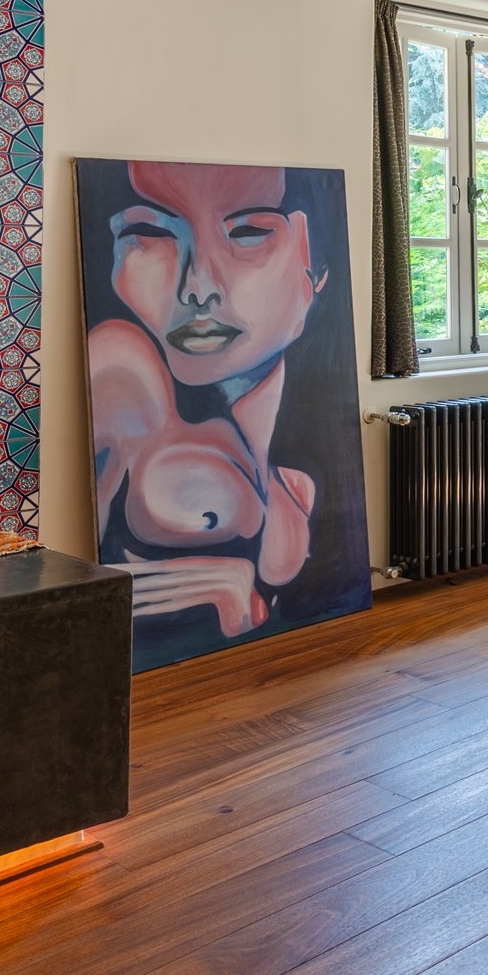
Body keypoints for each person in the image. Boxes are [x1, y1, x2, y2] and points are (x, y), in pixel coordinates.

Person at [87, 161, 335, 663]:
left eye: (247, 234)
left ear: (316, 268)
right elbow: (72, 586)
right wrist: (223, 585)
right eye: (152, 234)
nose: (198, 287)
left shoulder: (296, 484)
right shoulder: (121, 372)